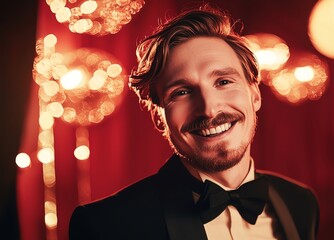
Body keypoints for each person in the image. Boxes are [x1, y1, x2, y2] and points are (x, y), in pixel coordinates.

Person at [69, 5, 319, 240]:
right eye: (182, 92)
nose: (209, 109)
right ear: (158, 116)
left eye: (223, 82)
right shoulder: (104, 226)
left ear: (255, 95)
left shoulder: (300, 204)